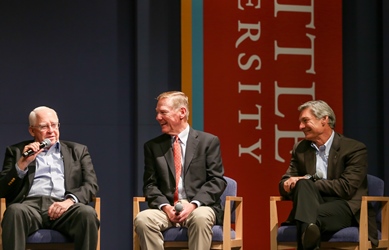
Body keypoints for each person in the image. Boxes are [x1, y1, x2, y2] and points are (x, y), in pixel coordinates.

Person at [278, 100, 378, 250]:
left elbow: (346, 188)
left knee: (304, 215)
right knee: (304, 191)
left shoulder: (353, 149)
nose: (300, 127)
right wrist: (288, 184)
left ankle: (307, 227)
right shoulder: (300, 148)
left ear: (324, 119)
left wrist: (307, 180)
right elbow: (284, 181)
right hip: (311, 205)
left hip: (344, 207)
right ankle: (309, 228)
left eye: (305, 121)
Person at [134, 91, 227, 250]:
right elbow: (150, 186)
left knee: (200, 218)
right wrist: (166, 207)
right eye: (157, 112)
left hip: (199, 207)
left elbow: (217, 181)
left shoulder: (208, 142)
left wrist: (193, 205)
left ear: (182, 112)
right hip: (168, 208)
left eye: (163, 112)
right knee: (143, 219)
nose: (158, 117)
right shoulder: (153, 147)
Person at [0, 106, 99, 250]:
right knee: (14, 212)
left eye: (54, 125)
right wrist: (23, 162)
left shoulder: (78, 151)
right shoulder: (16, 151)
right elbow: (3, 188)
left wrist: (69, 201)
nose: (51, 131)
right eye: (44, 126)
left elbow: (91, 185)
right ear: (32, 130)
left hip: (64, 207)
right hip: (29, 207)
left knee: (87, 214)